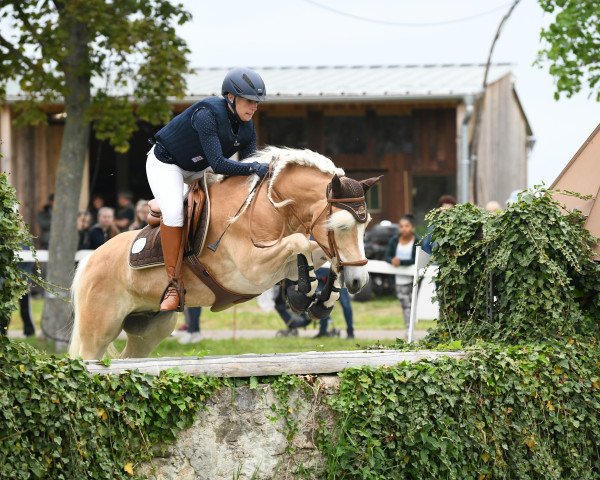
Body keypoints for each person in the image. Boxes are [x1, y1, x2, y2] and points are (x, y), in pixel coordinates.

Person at [146, 67, 268, 311]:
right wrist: (256, 167)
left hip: (198, 171)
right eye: (249, 101)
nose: (254, 107)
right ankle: (173, 285)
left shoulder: (247, 127)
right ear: (230, 98)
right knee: (175, 214)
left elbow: (245, 170)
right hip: (166, 164)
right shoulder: (207, 114)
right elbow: (220, 164)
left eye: (257, 103)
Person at [385, 214, 420, 337]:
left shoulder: (417, 241)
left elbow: (416, 259)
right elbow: (387, 256)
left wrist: (401, 262)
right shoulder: (394, 240)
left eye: (407, 226)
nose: (404, 229)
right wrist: (392, 260)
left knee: (412, 305)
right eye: (401, 226)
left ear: (412, 227)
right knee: (405, 305)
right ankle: (408, 330)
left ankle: (410, 330)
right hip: (399, 280)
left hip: (414, 279)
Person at [313, 267, 355, 339]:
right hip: (320, 275)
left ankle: (350, 332)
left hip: (338, 274)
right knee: (322, 303)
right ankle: (323, 331)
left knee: (345, 303)